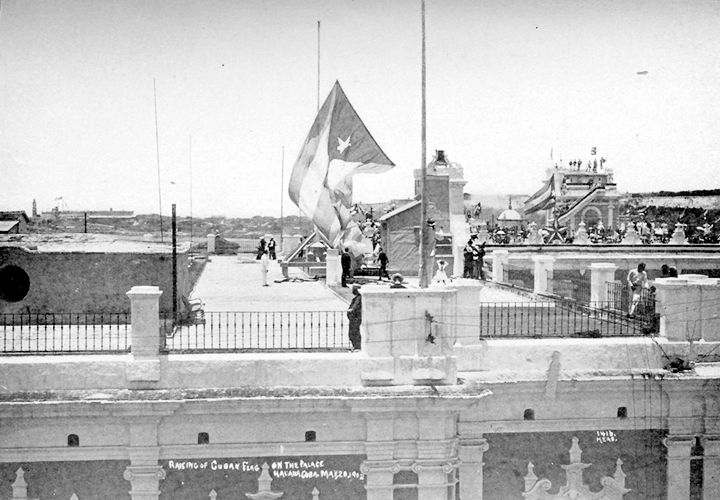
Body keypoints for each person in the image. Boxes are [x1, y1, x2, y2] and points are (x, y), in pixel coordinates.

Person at [347, 285, 362, 351]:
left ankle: (357, 347)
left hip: (355, 318)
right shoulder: (357, 297)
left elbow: (354, 307)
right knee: (352, 333)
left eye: (354, 289)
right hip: (353, 318)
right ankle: (356, 346)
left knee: (354, 333)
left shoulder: (359, 298)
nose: (352, 291)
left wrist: (351, 311)